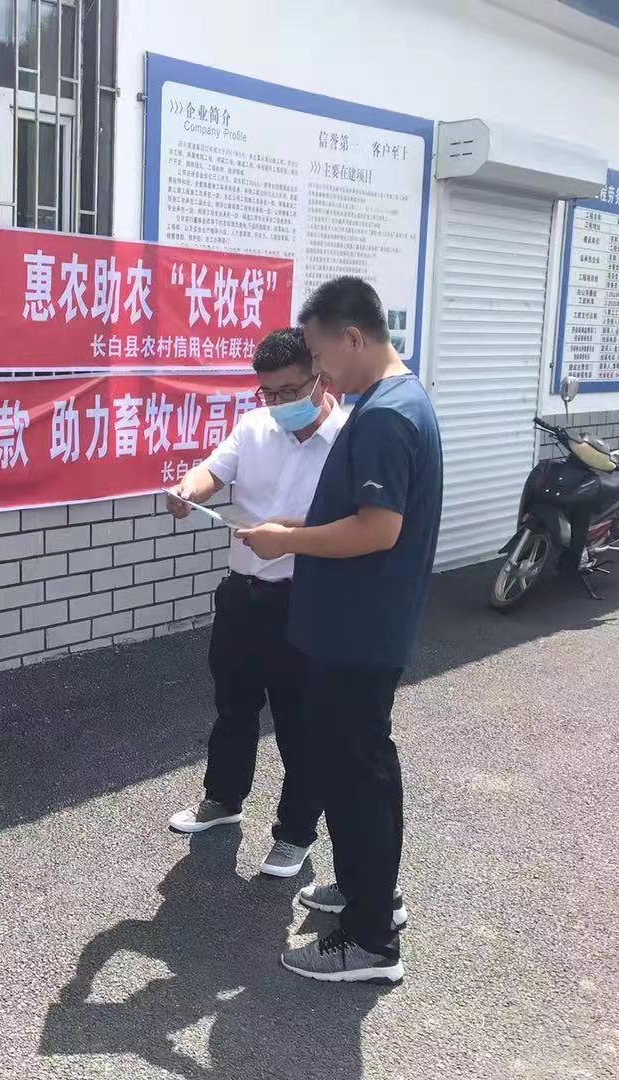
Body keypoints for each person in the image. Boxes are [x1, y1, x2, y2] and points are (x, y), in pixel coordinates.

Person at [238, 277, 442, 985]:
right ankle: (370, 893)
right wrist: (292, 526)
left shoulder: (385, 416)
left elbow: (377, 529)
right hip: (362, 629)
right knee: (364, 769)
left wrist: (289, 543)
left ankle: (369, 941)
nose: (320, 374)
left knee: (355, 776)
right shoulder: (396, 401)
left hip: (357, 633)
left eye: (322, 356)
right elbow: (355, 514)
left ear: (353, 337)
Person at [165, 328, 344, 880]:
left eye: (290, 391)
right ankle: (223, 799)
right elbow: (213, 470)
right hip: (242, 593)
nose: (279, 403)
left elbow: (354, 523)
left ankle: (295, 833)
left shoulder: (349, 440)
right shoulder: (254, 426)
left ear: (320, 378)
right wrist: (189, 489)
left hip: (306, 600)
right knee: (234, 706)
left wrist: (288, 536)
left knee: (299, 722)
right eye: (269, 392)